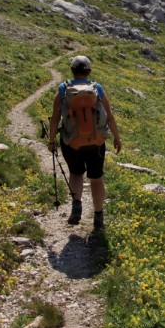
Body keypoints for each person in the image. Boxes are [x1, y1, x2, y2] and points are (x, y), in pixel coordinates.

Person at [48, 55, 121, 229]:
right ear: (89, 71)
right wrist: (116, 138)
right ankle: (98, 216)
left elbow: (55, 118)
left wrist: (51, 140)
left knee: (76, 173)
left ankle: (77, 205)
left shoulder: (63, 88)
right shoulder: (97, 88)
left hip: (71, 141)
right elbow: (109, 117)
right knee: (96, 178)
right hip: (96, 142)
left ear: (72, 70)